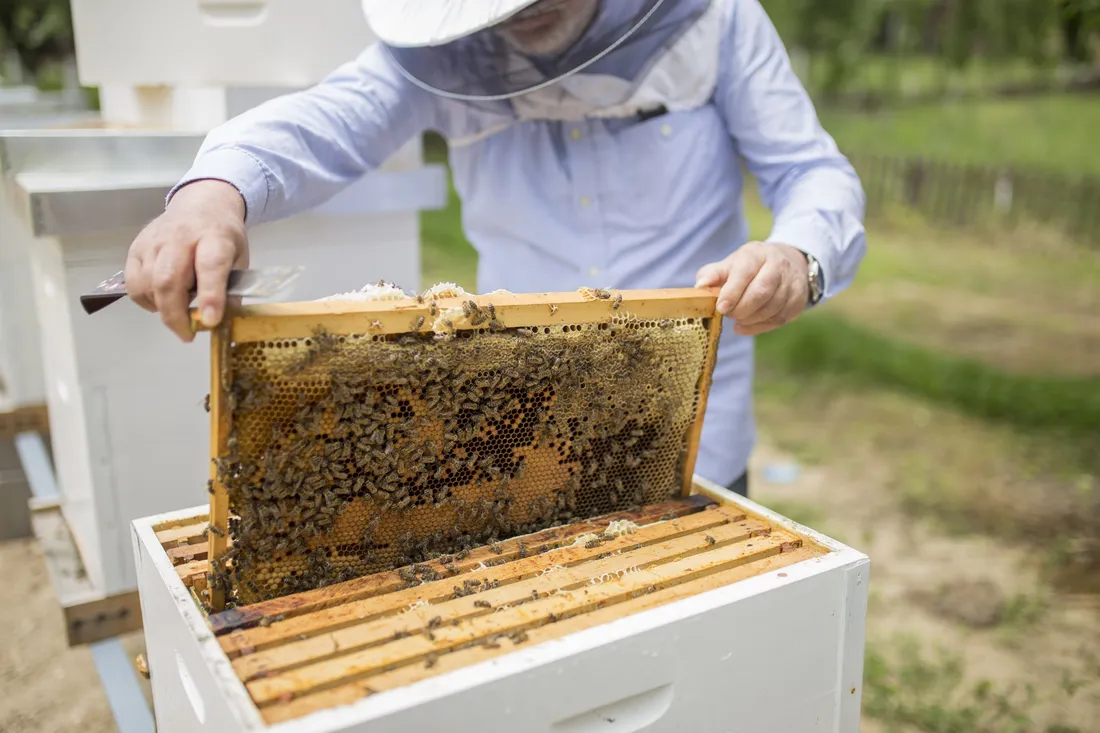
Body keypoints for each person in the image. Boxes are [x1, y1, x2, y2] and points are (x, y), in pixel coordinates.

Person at [123, 0, 867, 498]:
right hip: (518, 426)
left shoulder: (720, 21)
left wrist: (797, 255)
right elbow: (328, 119)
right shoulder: (438, 55)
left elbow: (812, 171)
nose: (522, 12)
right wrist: (211, 195)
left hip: (695, 429)